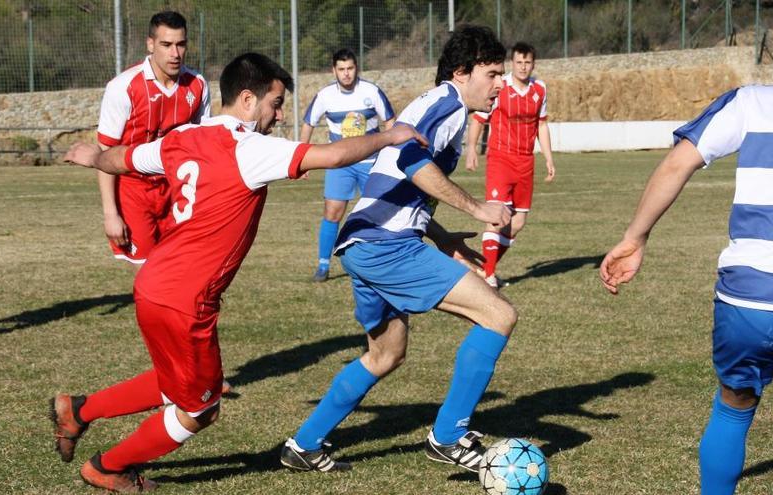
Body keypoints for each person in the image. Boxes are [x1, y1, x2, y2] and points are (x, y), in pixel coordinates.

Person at [54, 52, 426, 493]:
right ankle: (108, 466)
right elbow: (335, 154)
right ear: (248, 100)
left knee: (178, 383)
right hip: (185, 300)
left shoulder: (184, 136)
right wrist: (388, 135)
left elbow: (126, 160)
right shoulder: (248, 147)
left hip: (153, 284)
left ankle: (77, 410)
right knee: (201, 409)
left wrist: (95, 157)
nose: (279, 114)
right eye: (276, 102)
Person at [282, 25, 515, 474]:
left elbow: (401, 180)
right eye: (493, 73)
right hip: (388, 246)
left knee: (385, 354)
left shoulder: (439, 106)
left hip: (363, 243)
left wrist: (441, 234)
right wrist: (476, 208)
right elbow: (411, 162)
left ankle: (304, 445)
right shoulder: (448, 105)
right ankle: (448, 436)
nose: (500, 84)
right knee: (499, 315)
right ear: (463, 73)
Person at [600, 84, 773, 495]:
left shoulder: (752, 101)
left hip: (750, 296)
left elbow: (676, 165)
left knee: (734, 408)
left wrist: (635, 238)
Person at [96, 10, 210, 266]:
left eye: (181, 45)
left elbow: (202, 146)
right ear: (150, 44)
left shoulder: (198, 84)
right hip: (134, 191)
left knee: (182, 266)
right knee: (149, 273)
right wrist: (110, 214)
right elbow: (105, 154)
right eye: (166, 45)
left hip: (177, 189)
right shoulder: (123, 87)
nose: (175, 53)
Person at [465, 42, 555, 288]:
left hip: (526, 161)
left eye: (527, 62)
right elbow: (479, 119)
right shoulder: (499, 86)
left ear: (533, 63)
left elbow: (542, 125)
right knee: (496, 218)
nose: (523, 67)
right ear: (512, 63)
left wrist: (548, 156)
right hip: (500, 159)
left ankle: (485, 270)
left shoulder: (540, 89)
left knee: (517, 223)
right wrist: (471, 148)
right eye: (518, 62)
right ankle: (489, 276)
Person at [302, 48, 396, 282]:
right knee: (332, 212)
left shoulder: (371, 92)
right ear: (334, 70)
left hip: (370, 162)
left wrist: (391, 154)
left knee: (379, 212)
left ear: (357, 69)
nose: (346, 74)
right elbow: (308, 124)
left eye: (350, 68)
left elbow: (391, 122)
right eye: (341, 69)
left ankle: (385, 260)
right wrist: (301, 159)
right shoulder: (325, 95)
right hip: (339, 164)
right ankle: (323, 265)